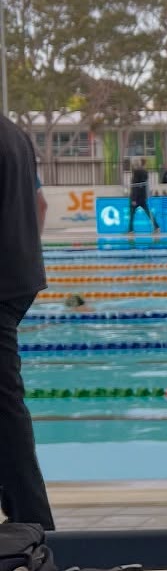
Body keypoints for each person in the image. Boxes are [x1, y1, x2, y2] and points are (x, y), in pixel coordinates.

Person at [0, 117, 55, 530]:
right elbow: (40, 206)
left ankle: (34, 529)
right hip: (19, 278)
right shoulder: (12, 130)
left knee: (4, 408)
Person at [125, 158, 158, 234]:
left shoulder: (136, 175)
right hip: (142, 197)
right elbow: (142, 187)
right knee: (148, 212)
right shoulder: (145, 173)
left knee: (132, 214)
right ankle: (156, 226)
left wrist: (134, 199)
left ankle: (130, 230)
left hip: (136, 198)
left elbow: (135, 188)